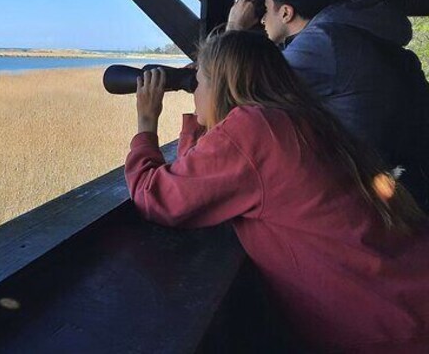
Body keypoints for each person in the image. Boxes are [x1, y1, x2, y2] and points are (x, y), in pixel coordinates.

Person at [125, 31, 429, 353]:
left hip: (395, 321)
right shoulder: (295, 118)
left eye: (198, 83)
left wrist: (146, 122)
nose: (195, 92)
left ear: (221, 84)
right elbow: (200, 177)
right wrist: (201, 114)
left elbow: (156, 196)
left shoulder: (253, 130)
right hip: (408, 287)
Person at [227, 0, 429, 212]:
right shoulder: (342, 31)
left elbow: (242, 89)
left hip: (381, 186)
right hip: (404, 170)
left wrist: (235, 28)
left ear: (285, 13)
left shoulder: (321, 41)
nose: (261, 19)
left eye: (265, 10)